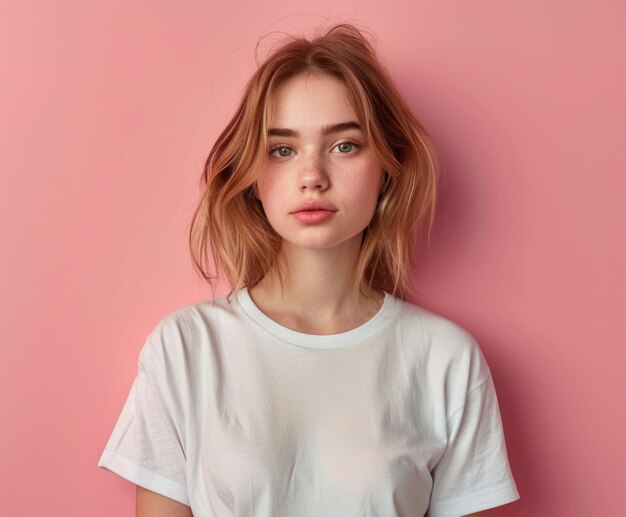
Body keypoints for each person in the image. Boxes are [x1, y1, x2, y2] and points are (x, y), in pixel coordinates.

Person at [97, 23, 520, 517]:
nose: (312, 177)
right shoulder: (188, 348)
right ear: (252, 176)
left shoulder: (446, 361)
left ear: (387, 167)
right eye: (282, 149)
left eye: (345, 146)